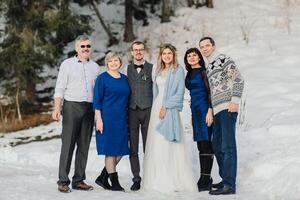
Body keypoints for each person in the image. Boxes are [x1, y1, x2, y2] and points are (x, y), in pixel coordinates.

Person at [142, 43, 197, 193]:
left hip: (168, 109)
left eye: (169, 53)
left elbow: (179, 93)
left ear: (173, 55)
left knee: (169, 143)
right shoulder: (158, 70)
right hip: (156, 109)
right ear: (161, 56)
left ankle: (172, 179)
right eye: (164, 53)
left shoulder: (177, 70)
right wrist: (157, 107)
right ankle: (157, 179)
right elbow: (155, 92)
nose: (167, 56)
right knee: (157, 144)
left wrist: (165, 107)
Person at [52, 35, 100, 193]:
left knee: (84, 146)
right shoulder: (67, 64)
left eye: (88, 46)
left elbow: (99, 91)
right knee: (68, 145)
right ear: (76, 48)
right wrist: (57, 108)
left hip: (89, 108)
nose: (86, 49)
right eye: (83, 46)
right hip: (72, 106)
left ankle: (78, 180)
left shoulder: (95, 67)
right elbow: (60, 87)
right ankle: (63, 181)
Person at [199, 37, 245, 195]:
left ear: (213, 46)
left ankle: (229, 185)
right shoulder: (209, 66)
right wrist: (211, 109)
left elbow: (238, 79)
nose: (205, 49)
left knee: (227, 146)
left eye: (207, 45)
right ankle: (225, 178)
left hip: (228, 108)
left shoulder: (223, 59)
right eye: (202, 47)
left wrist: (235, 100)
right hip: (217, 110)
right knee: (217, 146)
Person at [93, 52, 130, 192]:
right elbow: (97, 100)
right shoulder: (102, 79)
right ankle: (114, 182)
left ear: (120, 62)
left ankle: (103, 176)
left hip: (121, 119)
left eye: (116, 60)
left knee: (121, 150)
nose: (113, 63)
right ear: (106, 63)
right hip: (107, 119)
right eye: (110, 61)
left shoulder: (125, 79)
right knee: (110, 151)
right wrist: (99, 120)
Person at [184, 48, 214, 192]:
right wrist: (191, 115)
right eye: (189, 56)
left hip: (204, 110)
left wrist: (210, 110)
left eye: (194, 55)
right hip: (195, 111)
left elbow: (210, 92)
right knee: (200, 145)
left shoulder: (204, 71)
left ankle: (206, 179)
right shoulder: (189, 74)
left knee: (207, 143)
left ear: (199, 57)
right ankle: (204, 177)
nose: (192, 58)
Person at [126, 41, 153, 191]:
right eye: (135, 50)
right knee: (133, 148)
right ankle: (136, 178)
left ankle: (150, 176)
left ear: (144, 51)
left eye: (141, 50)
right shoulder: (127, 69)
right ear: (132, 52)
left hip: (148, 110)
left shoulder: (152, 68)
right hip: (132, 111)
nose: (138, 52)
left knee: (149, 147)